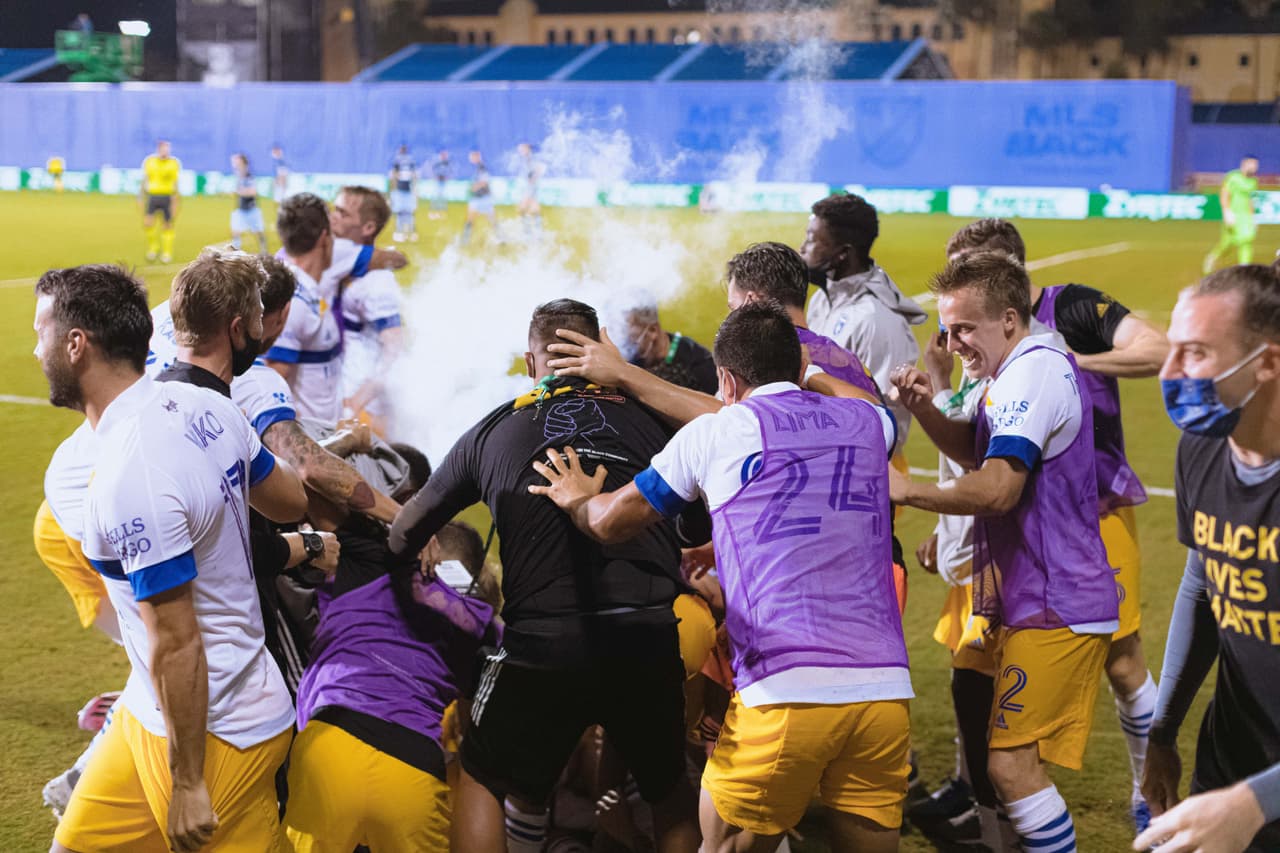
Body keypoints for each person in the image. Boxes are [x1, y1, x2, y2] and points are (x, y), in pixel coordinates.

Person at [531, 300, 910, 853]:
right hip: (884, 691)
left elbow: (612, 524)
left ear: (727, 378)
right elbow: (866, 402)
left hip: (786, 690)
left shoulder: (716, 433)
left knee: (724, 844)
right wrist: (811, 373)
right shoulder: (865, 423)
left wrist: (578, 500)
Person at [388, 299, 700, 853]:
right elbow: (695, 523)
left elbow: (406, 530)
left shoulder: (493, 429)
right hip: (647, 633)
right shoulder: (657, 419)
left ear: (530, 364)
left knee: (485, 773)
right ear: (602, 347)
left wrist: (410, 558)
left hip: (541, 645)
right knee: (668, 786)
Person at [34, 264, 307, 853]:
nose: (37, 350)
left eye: (42, 334)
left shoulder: (128, 478)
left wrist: (188, 782)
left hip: (216, 730)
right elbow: (290, 499)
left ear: (76, 346)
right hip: (148, 706)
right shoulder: (199, 404)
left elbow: (179, 641)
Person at [945, 218, 1170, 833]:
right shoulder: (973, 335)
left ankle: (1150, 790)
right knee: (976, 663)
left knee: (1124, 664)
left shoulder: (1067, 309)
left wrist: (1072, 358)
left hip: (1091, 516)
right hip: (1012, 528)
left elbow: (1156, 349)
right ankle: (986, 801)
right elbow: (974, 438)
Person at [889, 252, 1119, 853]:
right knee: (976, 696)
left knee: (1012, 766)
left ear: (1010, 319)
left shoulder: (1032, 373)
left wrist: (907, 489)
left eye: (964, 328)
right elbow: (975, 453)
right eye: (947, 328)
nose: (951, 343)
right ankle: (1003, 843)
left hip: (1056, 599)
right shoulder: (1009, 368)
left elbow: (997, 490)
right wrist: (923, 409)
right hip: (1021, 595)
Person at [1139, 265, 1280, 852]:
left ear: (1267, 363)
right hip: (1227, 770)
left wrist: (1258, 803)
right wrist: (1163, 730)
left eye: (1193, 354)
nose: (1169, 375)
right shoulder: (1200, 450)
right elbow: (1205, 585)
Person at [285, 516, 499, 851]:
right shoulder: (482, 625)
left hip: (330, 745)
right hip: (413, 767)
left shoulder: (373, 562)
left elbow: (312, 480)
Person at [800, 192, 927, 448]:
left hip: (867, 469)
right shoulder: (821, 301)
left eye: (812, 240)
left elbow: (884, 419)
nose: (802, 248)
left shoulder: (877, 320)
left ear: (842, 254)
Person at [266, 193, 405, 424]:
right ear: (325, 238)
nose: (337, 220)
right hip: (310, 435)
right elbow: (272, 385)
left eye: (342, 212)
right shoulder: (296, 303)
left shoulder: (303, 284)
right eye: (334, 214)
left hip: (329, 423)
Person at [331, 185, 404, 430]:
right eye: (334, 209)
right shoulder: (334, 263)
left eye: (342, 213)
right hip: (335, 395)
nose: (333, 218)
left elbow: (394, 348)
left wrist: (358, 400)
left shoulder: (378, 283)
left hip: (361, 410)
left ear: (368, 228)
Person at [619, 296, 717, 395]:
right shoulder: (635, 361)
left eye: (631, 342)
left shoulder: (701, 366)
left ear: (653, 330)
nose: (627, 351)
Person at [1205, 156, 1261, 273]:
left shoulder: (1253, 181)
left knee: (1247, 239)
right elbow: (1225, 194)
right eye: (1252, 165)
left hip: (1245, 216)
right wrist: (1227, 211)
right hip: (1233, 214)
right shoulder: (1233, 177)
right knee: (1228, 243)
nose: (1254, 168)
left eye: (1256, 165)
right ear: (1244, 165)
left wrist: (1253, 217)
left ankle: (1244, 269)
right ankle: (1214, 257)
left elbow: (1250, 199)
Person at [139, 139, 180, 263]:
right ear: (159, 149)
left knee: (167, 225)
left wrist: (175, 200)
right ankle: (153, 248)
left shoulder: (173, 163)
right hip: (153, 196)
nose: (166, 151)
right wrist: (140, 195)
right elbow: (145, 179)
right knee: (148, 223)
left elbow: (175, 183)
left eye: (168, 149)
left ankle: (167, 253)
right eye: (164, 148)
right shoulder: (150, 161)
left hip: (167, 196)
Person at [229, 152, 267, 254]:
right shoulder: (238, 174)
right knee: (235, 232)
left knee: (258, 232)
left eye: (237, 160)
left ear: (242, 162)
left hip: (251, 209)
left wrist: (239, 192)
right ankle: (235, 253)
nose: (234, 163)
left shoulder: (249, 176)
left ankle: (264, 250)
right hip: (240, 209)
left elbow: (253, 192)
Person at [462, 149, 497, 246]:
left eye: (473, 156)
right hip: (477, 198)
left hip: (483, 198)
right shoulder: (477, 168)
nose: (471, 158)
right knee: (470, 219)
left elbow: (485, 182)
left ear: (477, 156)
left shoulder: (482, 168)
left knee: (491, 219)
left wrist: (474, 187)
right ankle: (465, 240)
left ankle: (500, 239)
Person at [389, 144, 419, 242]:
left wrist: (393, 188)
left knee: (405, 212)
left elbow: (395, 175)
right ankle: (405, 232)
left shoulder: (403, 160)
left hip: (405, 189)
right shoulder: (404, 160)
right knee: (404, 212)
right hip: (402, 189)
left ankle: (406, 232)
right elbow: (395, 174)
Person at [516, 142, 545, 238]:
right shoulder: (527, 159)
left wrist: (533, 179)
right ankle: (537, 233)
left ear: (527, 149)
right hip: (530, 187)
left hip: (531, 187)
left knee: (523, 209)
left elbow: (538, 170)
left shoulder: (531, 159)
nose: (521, 151)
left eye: (522, 149)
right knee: (533, 209)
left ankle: (529, 233)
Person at [430, 149, 451, 219]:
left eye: (445, 155)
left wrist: (447, 177)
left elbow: (450, 172)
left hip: (443, 182)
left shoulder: (447, 163)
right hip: (437, 182)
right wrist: (435, 177)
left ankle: (441, 214)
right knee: (435, 197)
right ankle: (433, 213)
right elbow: (432, 170)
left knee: (442, 198)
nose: (444, 156)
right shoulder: (437, 163)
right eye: (443, 154)